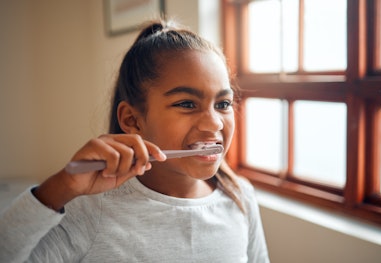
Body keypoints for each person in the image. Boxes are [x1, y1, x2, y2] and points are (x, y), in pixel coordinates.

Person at [0, 19, 269, 262]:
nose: (215, 123)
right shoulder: (91, 209)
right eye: (187, 103)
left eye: (223, 103)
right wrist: (61, 186)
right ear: (132, 120)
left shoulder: (239, 196)